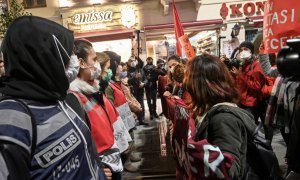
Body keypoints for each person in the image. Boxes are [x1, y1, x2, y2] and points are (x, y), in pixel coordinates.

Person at [0, 16, 99, 179]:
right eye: (67, 56)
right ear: (44, 58)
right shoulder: (10, 117)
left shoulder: (56, 98)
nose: (72, 62)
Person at [185, 55, 256, 179]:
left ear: (198, 84)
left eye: (188, 78)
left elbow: (230, 171)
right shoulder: (209, 111)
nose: (185, 83)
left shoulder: (224, 119)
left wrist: (193, 149)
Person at [69, 39, 123, 179]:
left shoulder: (91, 89)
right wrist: (94, 166)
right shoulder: (73, 97)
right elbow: (78, 141)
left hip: (111, 160)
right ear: (81, 63)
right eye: (94, 59)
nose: (97, 64)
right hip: (102, 167)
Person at [231, 41, 266, 124]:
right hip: (241, 100)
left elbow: (257, 86)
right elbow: (238, 83)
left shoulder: (256, 64)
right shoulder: (241, 63)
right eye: (241, 50)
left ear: (251, 51)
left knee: (249, 125)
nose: (242, 51)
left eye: (245, 49)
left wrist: (241, 75)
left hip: (251, 103)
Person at [127, 56, 148, 125]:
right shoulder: (128, 71)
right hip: (133, 91)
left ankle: (142, 119)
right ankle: (136, 120)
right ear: (129, 62)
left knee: (141, 105)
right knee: (135, 106)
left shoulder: (140, 69)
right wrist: (134, 77)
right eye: (131, 61)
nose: (133, 62)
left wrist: (143, 83)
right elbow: (128, 81)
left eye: (134, 60)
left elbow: (145, 79)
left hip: (140, 90)